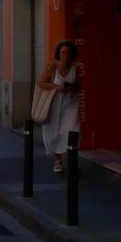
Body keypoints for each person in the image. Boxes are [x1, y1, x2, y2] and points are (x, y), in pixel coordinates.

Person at [38, 41, 82, 173]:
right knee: (54, 131)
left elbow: (79, 85)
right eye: (63, 52)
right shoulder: (52, 67)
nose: (66, 55)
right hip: (54, 103)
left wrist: (71, 87)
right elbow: (41, 83)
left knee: (73, 129)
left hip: (70, 103)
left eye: (68, 52)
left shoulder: (75, 69)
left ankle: (72, 159)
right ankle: (57, 161)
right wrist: (57, 87)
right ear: (59, 53)